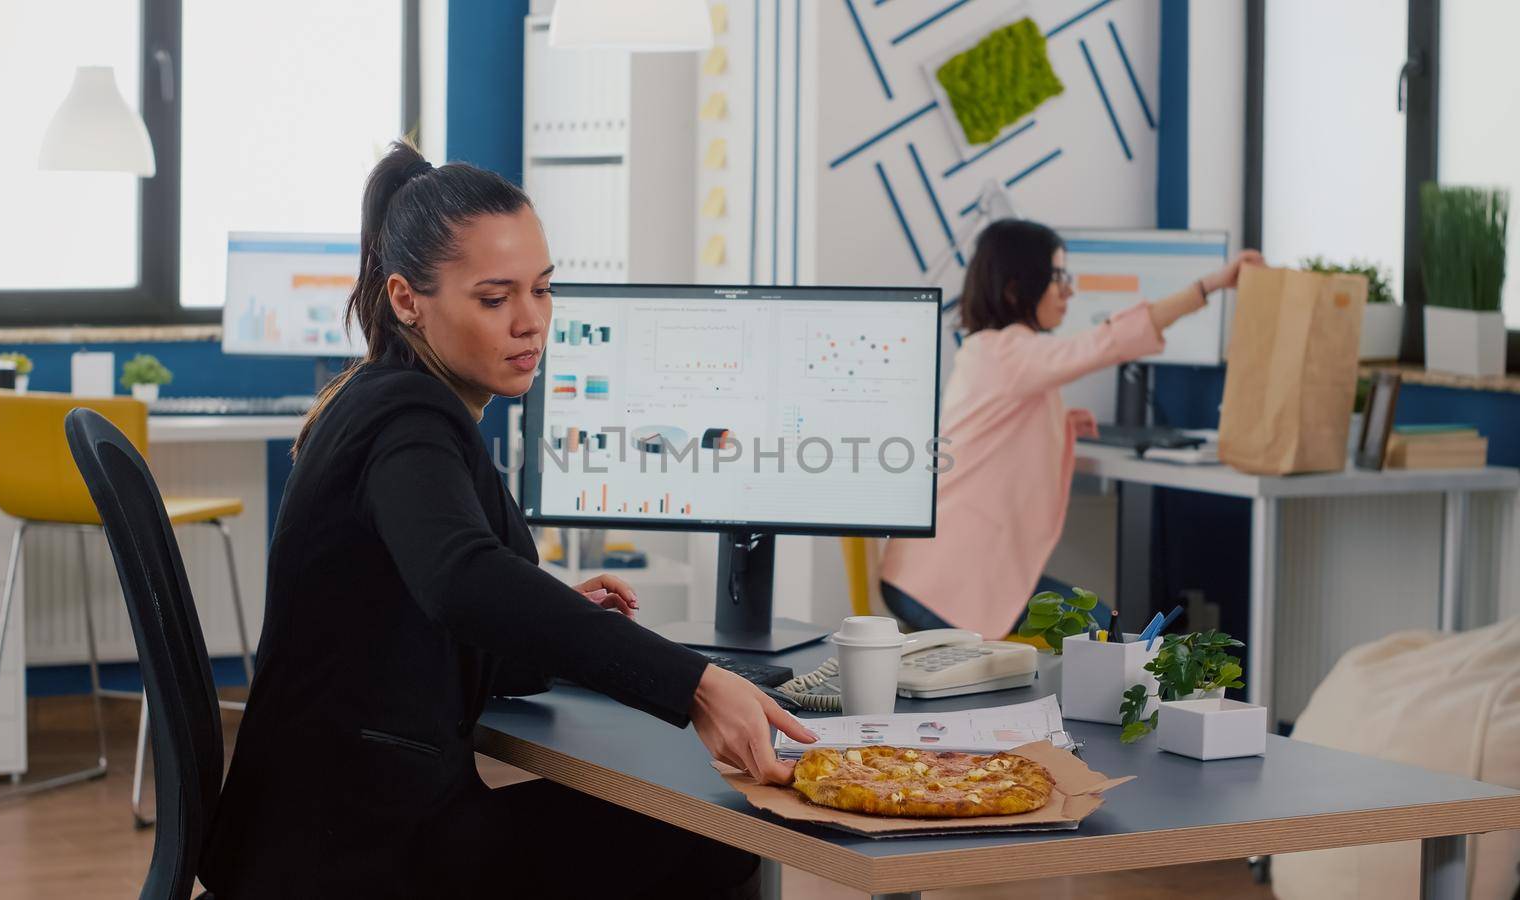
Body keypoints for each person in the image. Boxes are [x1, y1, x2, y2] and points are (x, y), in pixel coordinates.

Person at [199, 141, 816, 899]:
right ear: (406, 299)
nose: (531, 323)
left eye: (543, 290)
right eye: (495, 300)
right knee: (712, 833)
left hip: (322, 839)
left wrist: (554, 613)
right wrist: (694, 685)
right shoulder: (410, 417)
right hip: (360, 859)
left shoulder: (380, 396)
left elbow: (448, 613)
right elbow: (460, 578)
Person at [879, 219, 1263, 638]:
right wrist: (1208, 287)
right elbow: (1104, 343)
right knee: (1103, 633)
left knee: (1100, 626)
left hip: (930, 575)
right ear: (1015, 287)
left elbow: (995, 429)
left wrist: (1060, 423)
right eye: (1058, 277)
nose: (1069, 290)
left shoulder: (990, 351)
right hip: (943, 587)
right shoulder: (1010, 352)